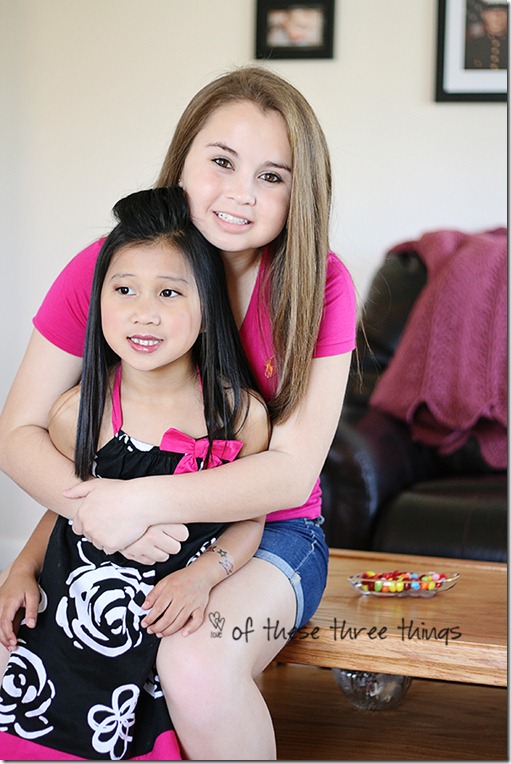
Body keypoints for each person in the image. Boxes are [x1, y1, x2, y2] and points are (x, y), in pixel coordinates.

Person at [0, 65, 357, 760]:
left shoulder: (318, 283)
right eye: (222, 162)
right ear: (182, 159)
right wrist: (93, 514)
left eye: (272, 176)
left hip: (272, 533)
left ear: (300, 194)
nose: (240, 193)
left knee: (193, 663)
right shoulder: (110, 268)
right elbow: (19, 432)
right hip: (112, 516)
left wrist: (134, 505)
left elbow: (289, 475)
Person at [0, 186, 270, 760]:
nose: (144, 312)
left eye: (169, 292)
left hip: (158, 623)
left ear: (208, 306)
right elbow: (64, 506)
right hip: (69, 620)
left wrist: (203, 578)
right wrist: (21, 568)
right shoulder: (78, 411)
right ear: (98, 300)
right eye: (124, 290)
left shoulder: (237, 415)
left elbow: (249, 519)